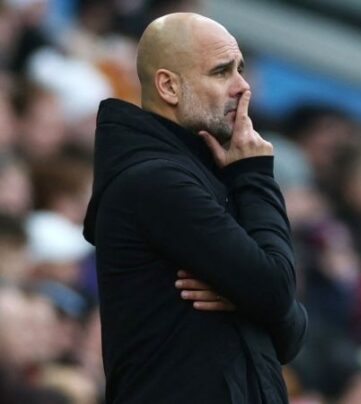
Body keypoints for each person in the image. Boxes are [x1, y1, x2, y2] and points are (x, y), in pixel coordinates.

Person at [82, 12, 307, 404]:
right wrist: (257, 175)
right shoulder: (155, 180)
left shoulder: (215, 173)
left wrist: (252, 299)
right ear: (168, 86)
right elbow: (276, 289)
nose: (242, 86)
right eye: (222, 72)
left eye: (240, 69)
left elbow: (290, 332)